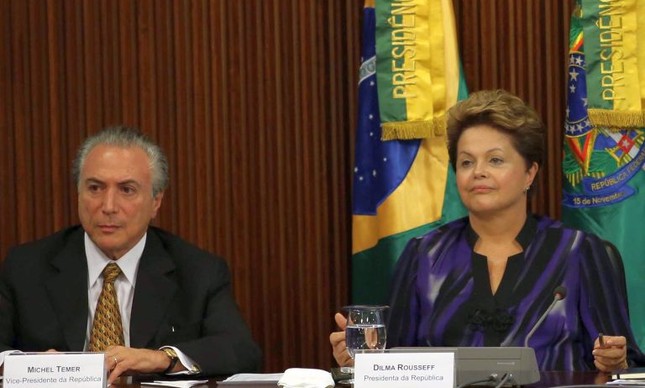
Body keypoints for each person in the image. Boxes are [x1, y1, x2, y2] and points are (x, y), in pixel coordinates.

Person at [330, 89, 645, 372]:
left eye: (495, 160)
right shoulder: (423, 256)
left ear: (529, 173)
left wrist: (615, 361)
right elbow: (391, 363)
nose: (478, 172)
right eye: (466, 163)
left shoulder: (579, 253)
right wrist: (360, 362)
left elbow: (624, 365)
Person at [0, 126, 261, 383]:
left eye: (127, 190)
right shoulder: (26, 268)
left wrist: (163, 358)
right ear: (78, 194)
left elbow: (239, 350)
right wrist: (29, 367)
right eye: (95, 188)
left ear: (156, 201)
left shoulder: (197, 271)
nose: (108, 206)